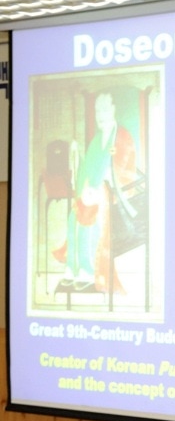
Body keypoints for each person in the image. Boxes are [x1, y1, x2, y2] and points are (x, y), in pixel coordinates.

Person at [54, 92, 136, 292]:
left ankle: (89, 270)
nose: (100, 115)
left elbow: (124, 170)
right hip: (92, 192)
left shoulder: (122, 136)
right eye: (98, 110)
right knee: (74, 217)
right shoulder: (96, 139)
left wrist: (101, 188)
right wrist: (76, 156)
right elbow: (86, 170)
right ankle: (73, 267)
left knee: (89, 218)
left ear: (113, 110)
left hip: (114, 194)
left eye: (104, 110)